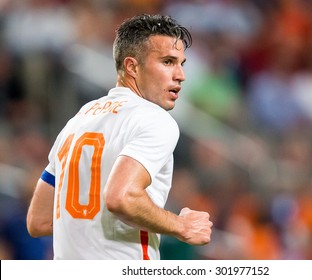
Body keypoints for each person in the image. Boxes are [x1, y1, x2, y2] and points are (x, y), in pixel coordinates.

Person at [26, 14, 213, 260]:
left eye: (181, 63)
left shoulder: (77, 122)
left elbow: (38, 220)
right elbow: (121, 197)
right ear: (132, 67)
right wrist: (181, 225)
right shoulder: (154, 119)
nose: (180, 75)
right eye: (167, 62)